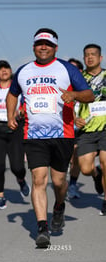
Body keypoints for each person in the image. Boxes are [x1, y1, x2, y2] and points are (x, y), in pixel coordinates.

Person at [6, 28, 94, 248]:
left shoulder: (67, 69)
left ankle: (59, 206)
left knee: (58, 182)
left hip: (62, 134)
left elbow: (89, 95)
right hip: (33, 135)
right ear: (33, 47)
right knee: (38, 180)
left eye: (47, 44)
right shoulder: (24, 71)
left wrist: (74, 94)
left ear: (55, 47)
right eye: (39, 44)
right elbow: (12, 93)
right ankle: (42, 228)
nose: (42, 47)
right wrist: (10, 115)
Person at [0, 60, 29, 210]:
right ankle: (0, 197)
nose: (4, 71)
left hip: (15, 129)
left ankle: (21, 179)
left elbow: (25, 106)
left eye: (6, 68)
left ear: (10, 71)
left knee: (17, 167)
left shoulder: (18, 89)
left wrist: (20, 112)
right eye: (0, 69)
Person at [75, 43, 106, 215]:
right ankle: (96, 174)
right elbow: (69, 102)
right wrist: (75, 119)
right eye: (86, 54)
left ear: (100, 58)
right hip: (87, 129)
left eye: (93, 54)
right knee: (85, 169)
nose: (90, 57)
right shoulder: (78, 78)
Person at [67, 58, 84, 199]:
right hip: (64, 128)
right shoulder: (61, 85)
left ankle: (72, 185)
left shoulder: (86, 88)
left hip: (81, 129)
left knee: (76, 157)